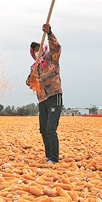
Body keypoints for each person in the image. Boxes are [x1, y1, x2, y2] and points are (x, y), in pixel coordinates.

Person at [26, 23, 62, 164]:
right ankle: (48, 156)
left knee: (51, 129)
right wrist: (31, 78)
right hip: (42, 100)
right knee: (43, 129)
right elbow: (29, 83)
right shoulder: (35, 67)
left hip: (54, 96)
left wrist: (49, 33)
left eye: (38, 49)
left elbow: (57, 48)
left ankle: (54, 158)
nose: (36, 52)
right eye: (34, 50)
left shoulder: (52, 58)